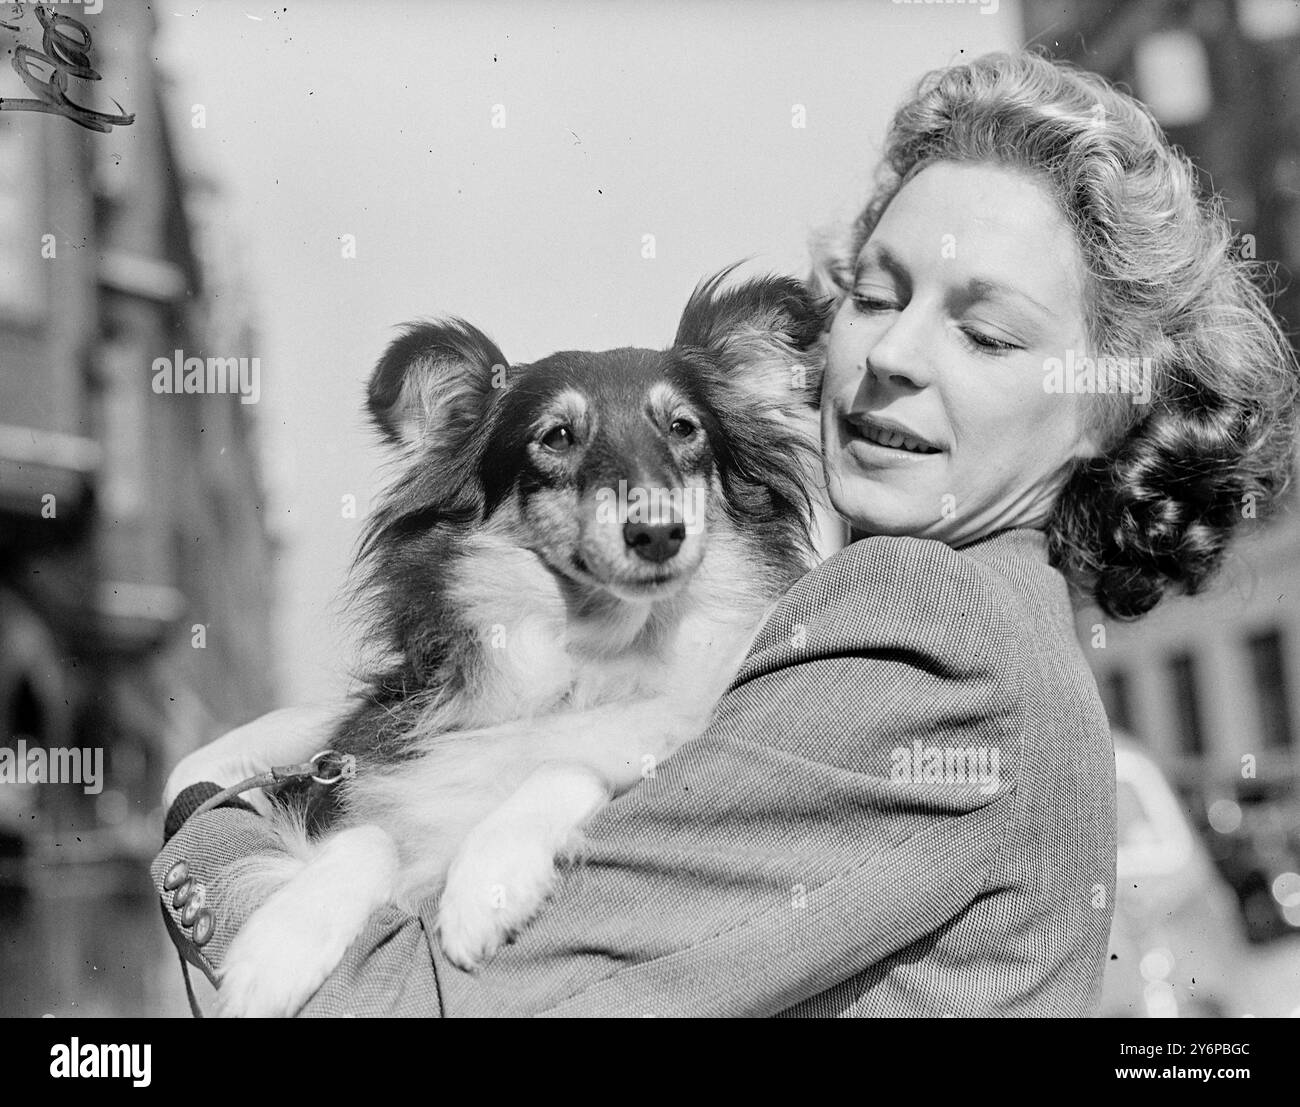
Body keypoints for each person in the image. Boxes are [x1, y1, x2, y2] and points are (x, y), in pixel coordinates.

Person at [155, 49, 1298, 1017]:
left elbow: (396, 1006)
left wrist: (211, 812)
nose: (892, 356)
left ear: (1107, 403)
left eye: (987, 335)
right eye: (878, 291)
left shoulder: (927, 628)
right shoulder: (1014, 628)